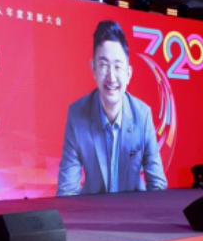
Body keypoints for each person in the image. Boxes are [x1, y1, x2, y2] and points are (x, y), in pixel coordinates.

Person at [56, 20, 167, 196]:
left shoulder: (143, 115)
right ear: (93, 68)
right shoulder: (77, 115)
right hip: (92, 211)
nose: (112, 77)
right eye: (104, 66)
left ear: (128, 74)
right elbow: (66, 191)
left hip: (135, 211)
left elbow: (158, 186)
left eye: (117, 66)